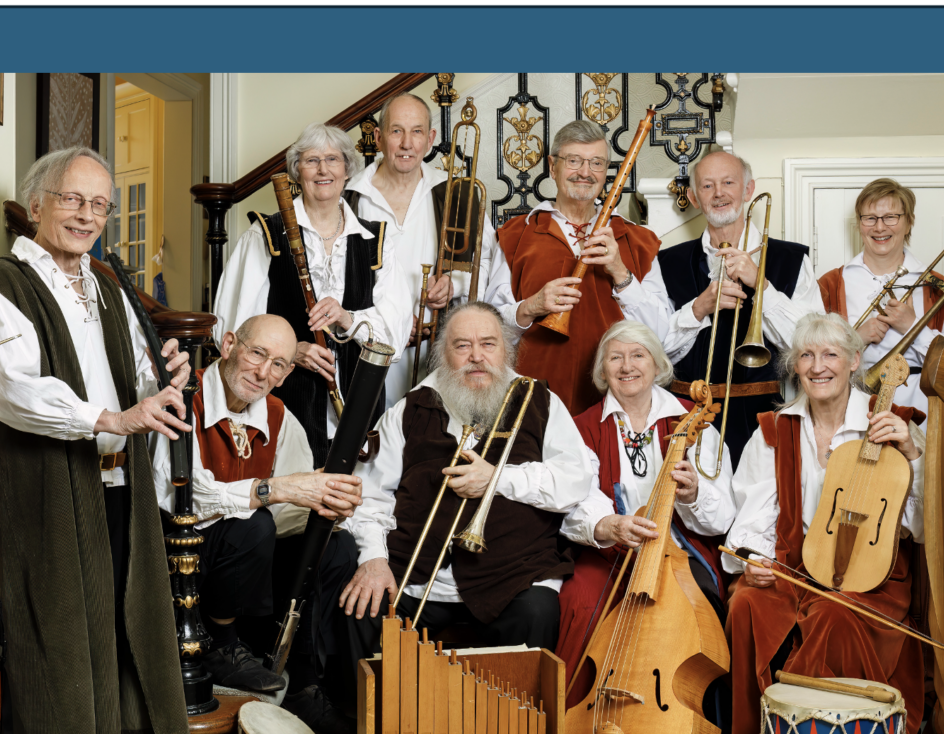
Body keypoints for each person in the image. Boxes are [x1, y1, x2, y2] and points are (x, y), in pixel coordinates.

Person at [0, 146, 193, 734]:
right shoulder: (0, 286)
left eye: (99, 204)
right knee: (46, 643)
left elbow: (131, 364)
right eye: (72, 200)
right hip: (42, 486)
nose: (88, 216)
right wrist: (109, 420)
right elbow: (10, 391)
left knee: (97, 640)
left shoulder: (104, 284)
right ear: (36, 204)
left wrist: (163, 376)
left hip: (112, 483)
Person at [721, 313, 944, 734]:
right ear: (795, 367)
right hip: (796, 565)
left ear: (855, 361)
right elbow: (749, 520)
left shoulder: (895, 421)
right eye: (806, 356)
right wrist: (751, 560)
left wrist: (915, 455)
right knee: (744, 605)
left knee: (835, 612)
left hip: (873, 576)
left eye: (831, 355)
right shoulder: (774, 429)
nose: (818, 366)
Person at [336, 301, 591, 656]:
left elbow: (574, 480)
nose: (476, 356)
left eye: (488, 344)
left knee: (537, 614)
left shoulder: (541, 401)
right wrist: (374, 559)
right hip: (415, 574)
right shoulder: (409, 409)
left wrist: (497, 479)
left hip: (514, 576)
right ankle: (366, 712)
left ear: (506, 351)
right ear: (443, 355)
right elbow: (368, 493)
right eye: (462, 345)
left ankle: (511, 715)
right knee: (362, 605)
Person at [150, 313, 364, 734]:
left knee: (334, 545)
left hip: (248, 567)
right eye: (257, 353)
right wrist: (276, 490)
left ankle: (304, 682)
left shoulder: (278, 416)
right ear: (228, 345)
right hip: (184, 559)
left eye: (279, 364)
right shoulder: (181, 395)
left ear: (286, 374)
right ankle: (223, 645)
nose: (263, 372)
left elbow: (296, 505)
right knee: (253, 525)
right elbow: (181, 495)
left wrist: (328, 505)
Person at [211, 122, 416, 465]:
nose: (323, 169)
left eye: (333, 159)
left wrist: (348, 319)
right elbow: (230, 330)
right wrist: (290, 353)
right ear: (297, 171)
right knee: (291, 506)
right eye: (312, 160)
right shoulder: (265, 236)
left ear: (347, 170)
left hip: (358, 405)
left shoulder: (376, 241)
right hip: (282, 403)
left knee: (351, 508)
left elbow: (393, 337)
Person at [555, 320, 734, 677]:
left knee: (691, 607)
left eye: (638, 355)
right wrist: (609, 525)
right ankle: (574, 715)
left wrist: (695, 494)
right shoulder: (581, 427)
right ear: (602, 370)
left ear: (657, 364)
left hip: (679, 552)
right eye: (615, 357)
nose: (627, 366)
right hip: (609, 552)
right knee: (581, 604)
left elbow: (723, 517)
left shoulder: (695, 421)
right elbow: (575, 500)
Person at [487, 120, 671, 415]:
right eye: (573, 161)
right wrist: (531, 306)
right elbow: (490, 331)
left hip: (617, 400)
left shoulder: (637, 239)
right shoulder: (516, 235)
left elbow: (661, 334)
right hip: (534, 398)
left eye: (596, 163)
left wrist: (621, 273)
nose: (585, 173)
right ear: (552, 166)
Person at [346, 93, 503, 404]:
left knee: (430, 439)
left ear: (430, 139)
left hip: (437, 350)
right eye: (396, 131)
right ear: (378, 138)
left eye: (417, 131)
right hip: (364, 349)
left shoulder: (460, 193)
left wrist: (453, 284)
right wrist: (393, 321)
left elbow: (486, 262)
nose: (407, 144)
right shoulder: (349, 197)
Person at [659, 150, 816, 462]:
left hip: (763, 415)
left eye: (728, 182)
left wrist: (762, 284)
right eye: (707, 186)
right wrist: (699, 308)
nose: (719, 193)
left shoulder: (793, 259)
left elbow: (810, 347)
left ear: (748, 190)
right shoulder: (665, 262)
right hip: (684, 413)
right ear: (692, 197)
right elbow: (654, 352)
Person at [816, 177, 944, 411]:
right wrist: (855, 339)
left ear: (909, 223)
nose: (879, 227)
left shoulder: (940, 288)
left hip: (925, 407)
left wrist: (913, 326)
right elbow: (811, 357)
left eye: (891, 217)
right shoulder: (830, 284)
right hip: (852, 404)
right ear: (859, 224)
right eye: (870, 218)